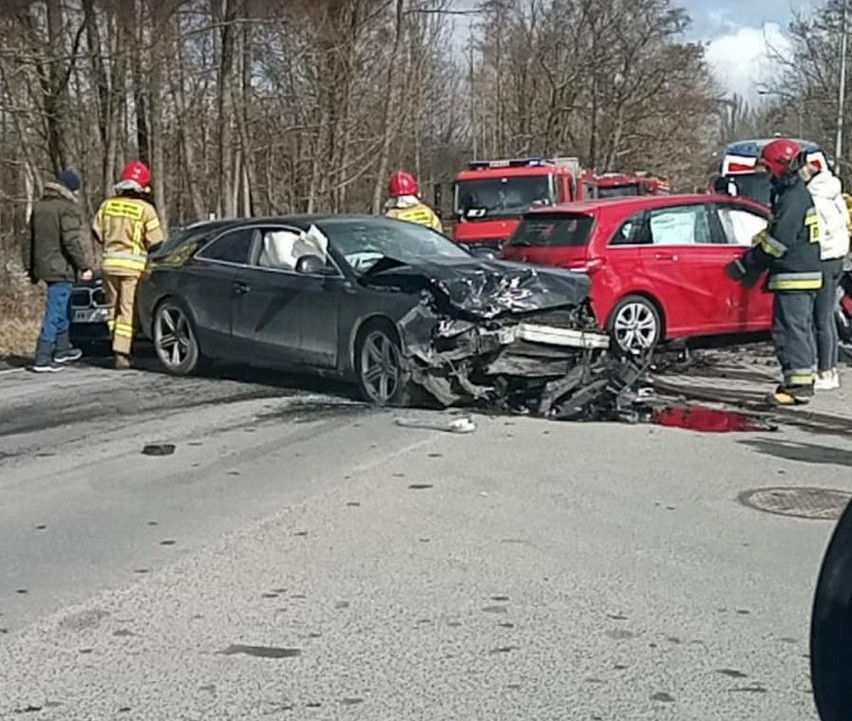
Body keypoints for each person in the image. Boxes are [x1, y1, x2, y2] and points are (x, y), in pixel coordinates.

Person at [725, 137, 823, 406]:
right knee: (795, 328)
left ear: (780, 166)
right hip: (800, 273)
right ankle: (798, 380)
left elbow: (778, 241)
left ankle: (799, 388)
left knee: (790, 330)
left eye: (769, 169)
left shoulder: (793, 197)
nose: (768, 175)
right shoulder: (795, 193)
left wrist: (750, 263)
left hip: (795, 275)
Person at [92, 161, 164, 370]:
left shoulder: (107, 205)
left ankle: (114, 342)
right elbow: (156, 241)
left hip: (109, 264)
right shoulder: (145, 210)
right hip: (132, 266)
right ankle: (122, 352)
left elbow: (96, 231)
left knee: (112, 306)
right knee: (127, 308)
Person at [26, 169, 93, 373]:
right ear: (72, 189)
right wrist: (84, 265)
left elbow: (28, 239)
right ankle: (43, 356)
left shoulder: (40, 207)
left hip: (43, 265)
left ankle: (63, 349)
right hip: (60, 267)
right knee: (55, 310)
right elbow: (71, 241)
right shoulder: (66, 208)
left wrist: (30, 267)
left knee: (62, 306)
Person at [797, 156, 850, 390]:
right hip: (837, 258)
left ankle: (826, 372)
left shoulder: (816, 197)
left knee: (820, 318)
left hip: (824, 259)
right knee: (826, 316)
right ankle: (828, 369)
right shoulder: (832, 190)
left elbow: (815, 233)